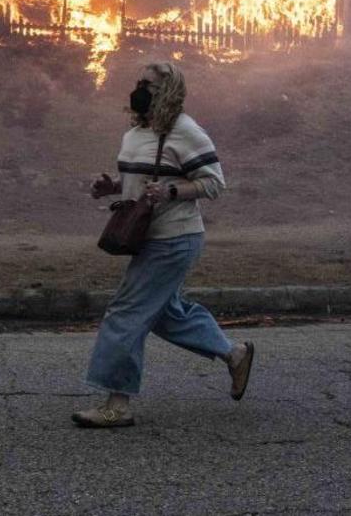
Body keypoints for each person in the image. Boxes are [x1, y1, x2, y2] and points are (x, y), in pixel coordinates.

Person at [72, 62, 254, 428]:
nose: (139, 90)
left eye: (149, 85)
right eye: (138, 82)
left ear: (168, 91)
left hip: (175, 238)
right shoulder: (137, 131)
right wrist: (111, 188)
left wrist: (173, 191)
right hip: (149, 237)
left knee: (126, 311)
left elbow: (214, 183)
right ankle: (233, 353)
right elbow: (139, 183)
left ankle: (117, 404)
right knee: (165, 314)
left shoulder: (186, 132)